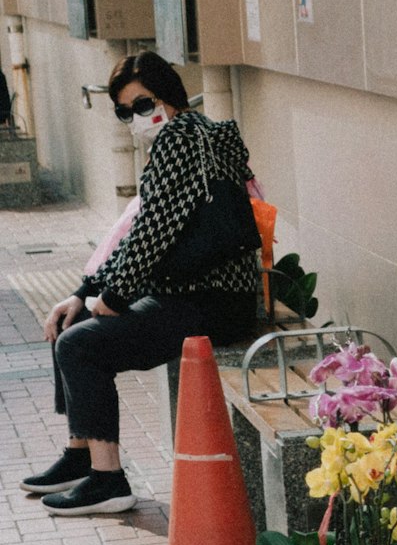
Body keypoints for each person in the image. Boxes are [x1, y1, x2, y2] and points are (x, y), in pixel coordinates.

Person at [20, 51, 258, 515]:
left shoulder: (181, 139)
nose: (136, 117)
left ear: (169, 94)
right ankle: (81, 455)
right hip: (203, 296)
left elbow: (151, 232)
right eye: (124, 111)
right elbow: (138, 236)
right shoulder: (201, 135)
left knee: (78, 345)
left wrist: (110, 297)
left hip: (208, 302)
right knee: (70, 323)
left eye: (142, 103)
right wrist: (84, 293)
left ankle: (108, 480)